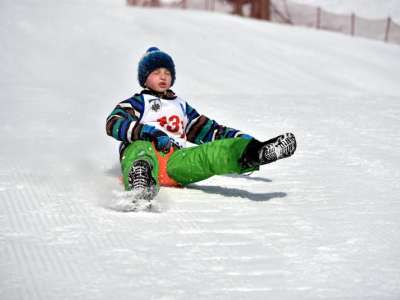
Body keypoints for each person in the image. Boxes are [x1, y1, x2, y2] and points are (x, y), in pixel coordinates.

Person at [106, 47, 296, 200]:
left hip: (175, 163)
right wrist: (148, 133)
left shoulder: (180, 106)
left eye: (167, 72)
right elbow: (114, 122)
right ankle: (141, 182)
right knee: (140, 149)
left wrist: (245, 141)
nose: (163, 77)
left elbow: (210, 131)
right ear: (144, 78)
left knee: (209, 154)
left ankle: (256, 152)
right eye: (156, 72)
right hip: (147, 154)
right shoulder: (138, 102)